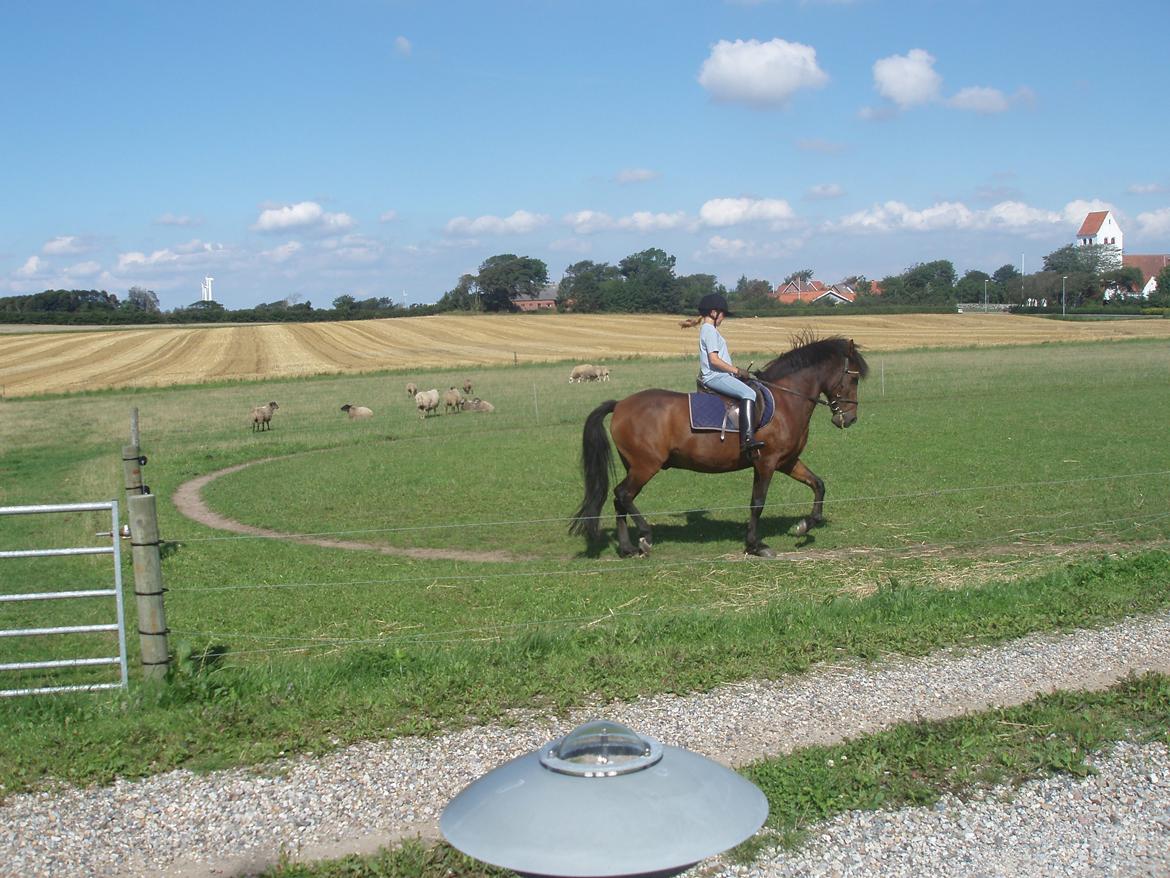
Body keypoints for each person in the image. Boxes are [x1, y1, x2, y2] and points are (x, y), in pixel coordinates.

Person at [695, 293, 765, 457]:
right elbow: (714, 360)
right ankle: (747, 440)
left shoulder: (708, 330)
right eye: (723, 314)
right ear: (714, 312)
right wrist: (736, 371)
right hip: (715, 376)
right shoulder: (709, 330)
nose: (723, 318)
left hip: (721, 375)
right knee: (749, 393)